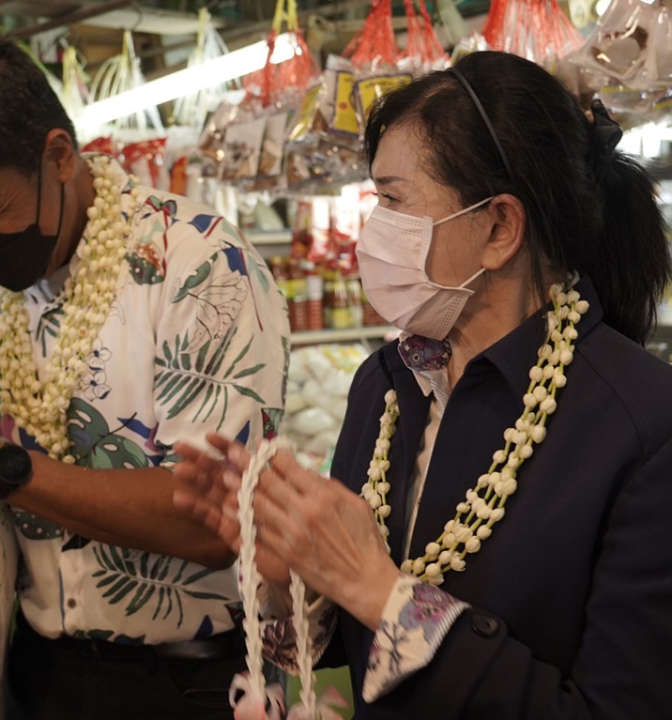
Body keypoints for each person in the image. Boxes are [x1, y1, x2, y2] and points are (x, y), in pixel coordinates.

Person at [174, 51, 672, 719]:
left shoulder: (643, 425)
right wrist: (294, 577)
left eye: (392, 201)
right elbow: (351, 668)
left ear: (499, 228)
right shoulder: (384, 387)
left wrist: (381, 592)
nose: (370, 233)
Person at [0, 28, 289, 720]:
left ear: (58, 155)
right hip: (32, 672)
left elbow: (219, 521)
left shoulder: (201, 267)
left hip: (194, 682)